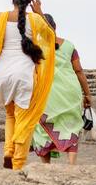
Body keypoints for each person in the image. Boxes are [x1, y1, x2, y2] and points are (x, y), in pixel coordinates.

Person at [0, 0, 57, 171]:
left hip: (3, 73)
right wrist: (39, 12)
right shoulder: (36, 20)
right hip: (24, 73)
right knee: (25, 119)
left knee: (10, 115)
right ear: (30, 0)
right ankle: (18, 163)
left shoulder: (1, 17)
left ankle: (8, 151)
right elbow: (51, 37)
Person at [32, 14, 92, 164]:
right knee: (70, 126)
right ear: (55, 27)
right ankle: (72, 166)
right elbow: (79, 71)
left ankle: (46, 166)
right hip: (70, 93)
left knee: (41, 129)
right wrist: (87, 94)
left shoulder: (34, 48)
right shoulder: (69, 46)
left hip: (46, 94)